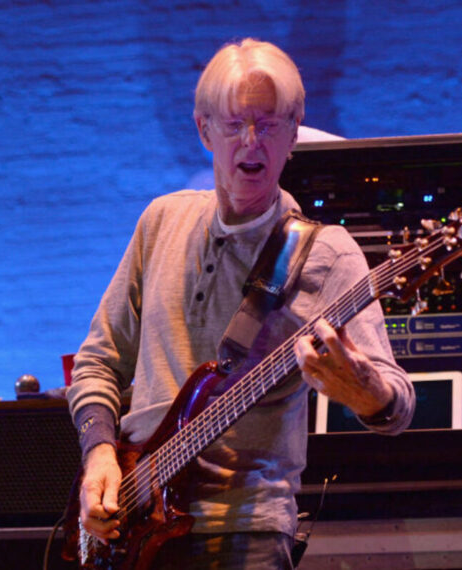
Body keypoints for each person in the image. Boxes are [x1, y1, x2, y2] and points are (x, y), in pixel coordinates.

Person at [66, 38, 414, 569]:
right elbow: (99, 360)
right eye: (234, 124)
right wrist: (99, 454)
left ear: (294, 133)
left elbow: (398, 405)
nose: (251, 142)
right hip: (131, 527)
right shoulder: (160, 222)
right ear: (204, 129)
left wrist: (365, 391)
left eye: (269, 124)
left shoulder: (326, 253)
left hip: (245, 531)